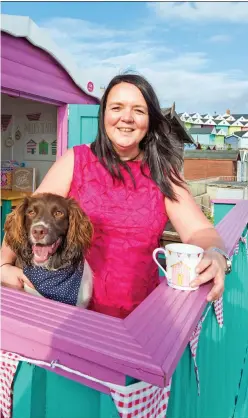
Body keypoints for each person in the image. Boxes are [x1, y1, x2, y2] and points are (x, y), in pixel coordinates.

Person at [1, 74, 229, 319]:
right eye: (117, 108)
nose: (126, 118)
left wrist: (216, 254)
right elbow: (28, 218)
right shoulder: (76, 161)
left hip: (138, 316)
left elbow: (199, 231)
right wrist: (3, 265)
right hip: (69, 311)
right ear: (104, 115)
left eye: (138, 110)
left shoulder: (163, 172)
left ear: (150, 119)